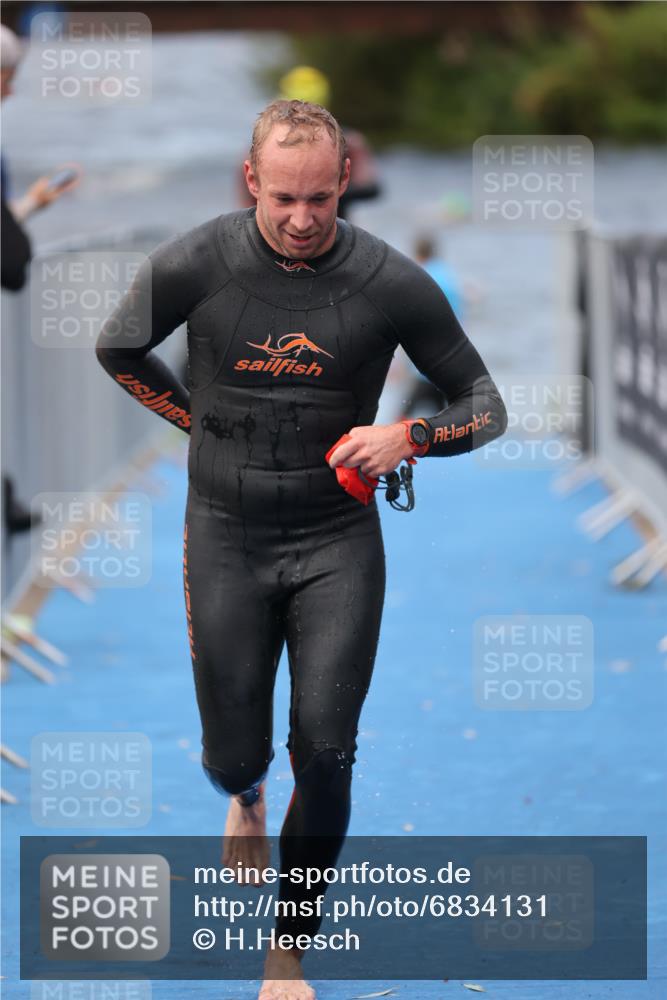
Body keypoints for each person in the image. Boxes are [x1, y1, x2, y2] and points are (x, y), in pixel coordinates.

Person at [96, 99, 507, 1000]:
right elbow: (118, 345)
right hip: (224, 536)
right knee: (233, 756)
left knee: (326, 750)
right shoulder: (198, 261)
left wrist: (412, 439)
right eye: (284, 197)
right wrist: (196, 424)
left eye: (321, 198)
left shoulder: (389, 281)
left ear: (343, 184)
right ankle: (243, 797)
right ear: (252, 182)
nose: (302, 219)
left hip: (335, 543)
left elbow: (484, 401)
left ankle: (287, 951)